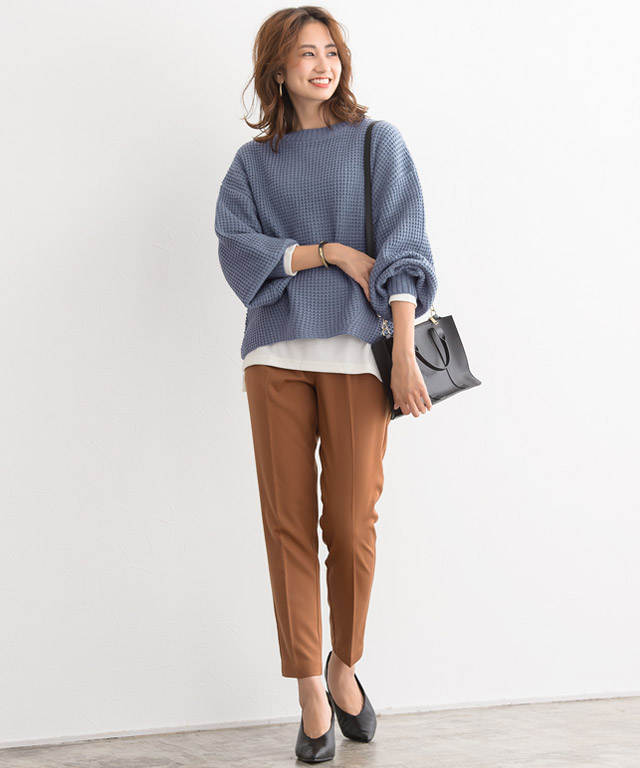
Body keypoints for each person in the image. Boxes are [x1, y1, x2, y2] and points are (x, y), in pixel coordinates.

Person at [214, 6, 437, 762]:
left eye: (331, 51)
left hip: (356, 352)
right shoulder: (252, 166)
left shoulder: (377, 142)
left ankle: (346, 665)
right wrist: (331, 252)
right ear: (277, 70)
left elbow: (405, 249)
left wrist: (402, 352)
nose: (323, 65)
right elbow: (239, 252)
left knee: (349, 523)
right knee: (287, 525)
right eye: (306, 54)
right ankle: (311, 689)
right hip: (274, 353)